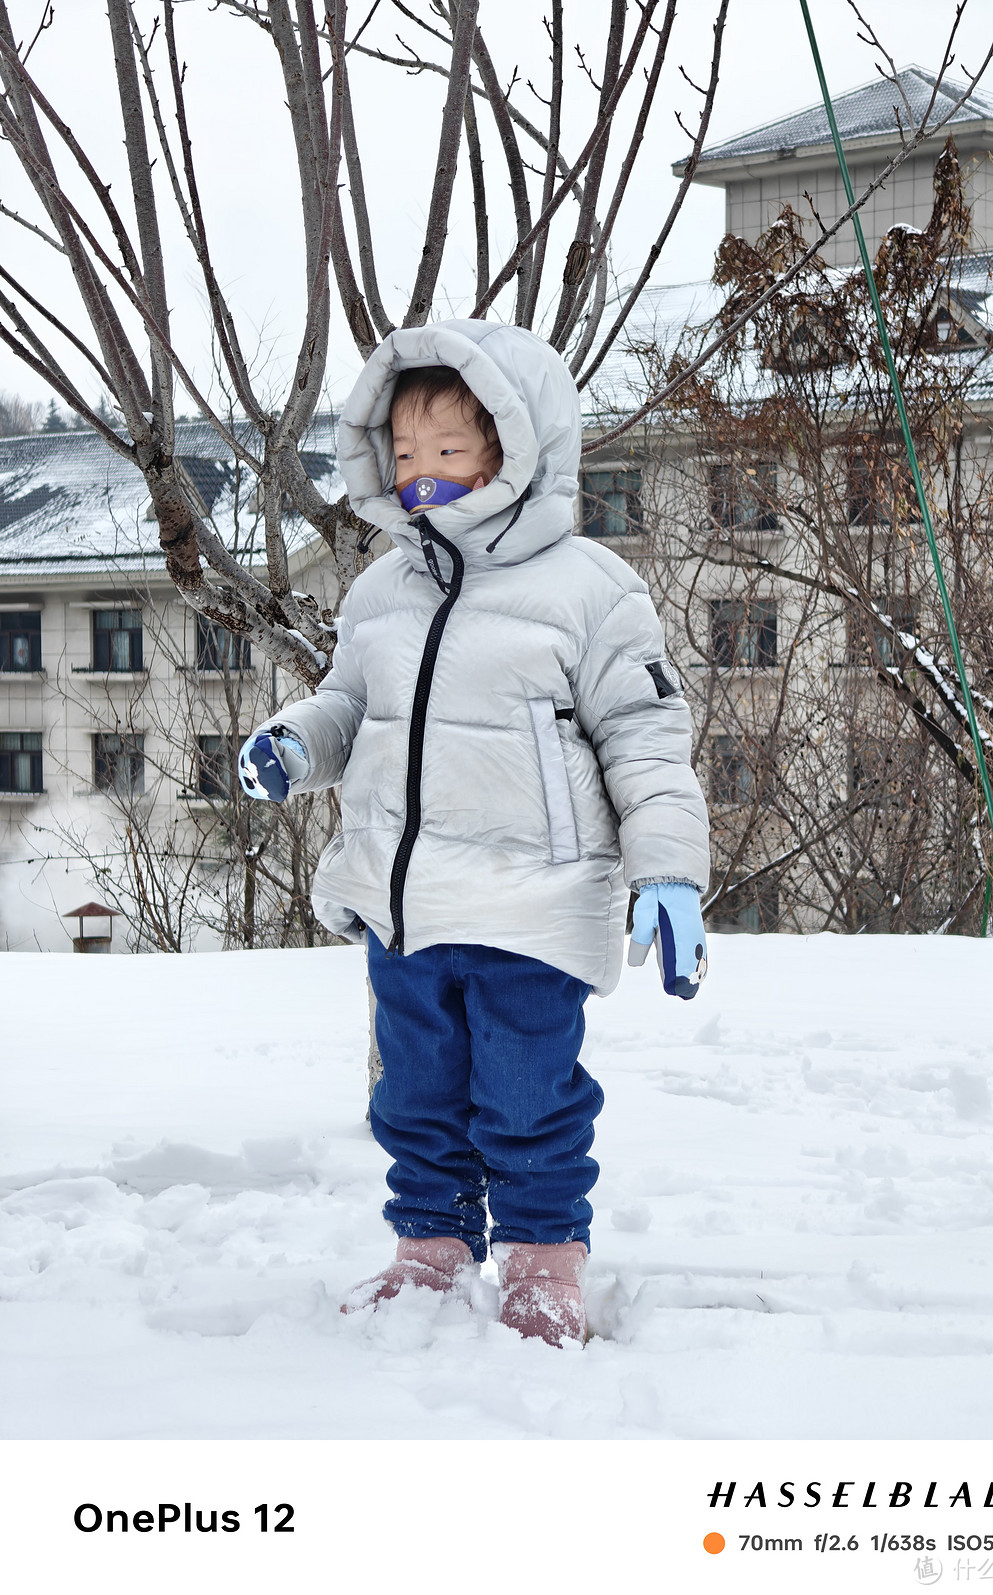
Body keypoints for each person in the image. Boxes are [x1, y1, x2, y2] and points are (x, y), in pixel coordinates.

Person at [238, 322, 710, 1346]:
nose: (420, 478)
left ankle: (544, 1261)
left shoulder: (590, 590)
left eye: (448, 453)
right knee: (415, 1095)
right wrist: (292, 744)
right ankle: (431, 1250)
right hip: (405, 904)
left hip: (532, 906)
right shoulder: (378, 592)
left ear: (516, 450)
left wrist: (669, 870)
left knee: (529, 1096)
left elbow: (646, 735)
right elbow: (347, 707)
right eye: (403, 456)